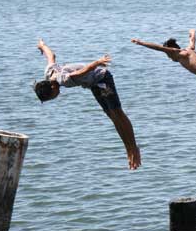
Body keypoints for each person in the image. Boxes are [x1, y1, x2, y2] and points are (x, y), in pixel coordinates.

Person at [34, 39, 141, 170]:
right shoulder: (48, 72)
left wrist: (98, 62)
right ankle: (128, 149)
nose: (56, 97)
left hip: (102, 78)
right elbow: (51, 56)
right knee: (113, 117)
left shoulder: (64, 80)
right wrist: (42, 46)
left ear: (52, 87)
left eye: (52, 96)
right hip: (93, 84)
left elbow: (81, 72)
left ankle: (134, 149)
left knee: (118, 113)